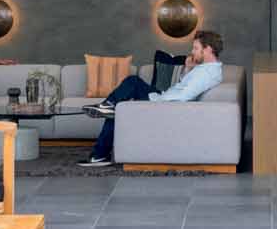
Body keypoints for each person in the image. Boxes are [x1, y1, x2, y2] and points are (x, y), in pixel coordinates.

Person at [89, 31, 226, 164]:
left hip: (163, 106)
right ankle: (100, 148)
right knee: (118, 106)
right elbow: (183, 86)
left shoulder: (207, 73)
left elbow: (184, 96)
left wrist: (157, 101)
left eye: (196, 48)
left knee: (132, 83)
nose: (192, 51)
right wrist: (189, 68)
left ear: (208, 49)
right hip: (163, 99)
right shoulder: (205, 68)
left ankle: (100, 148)